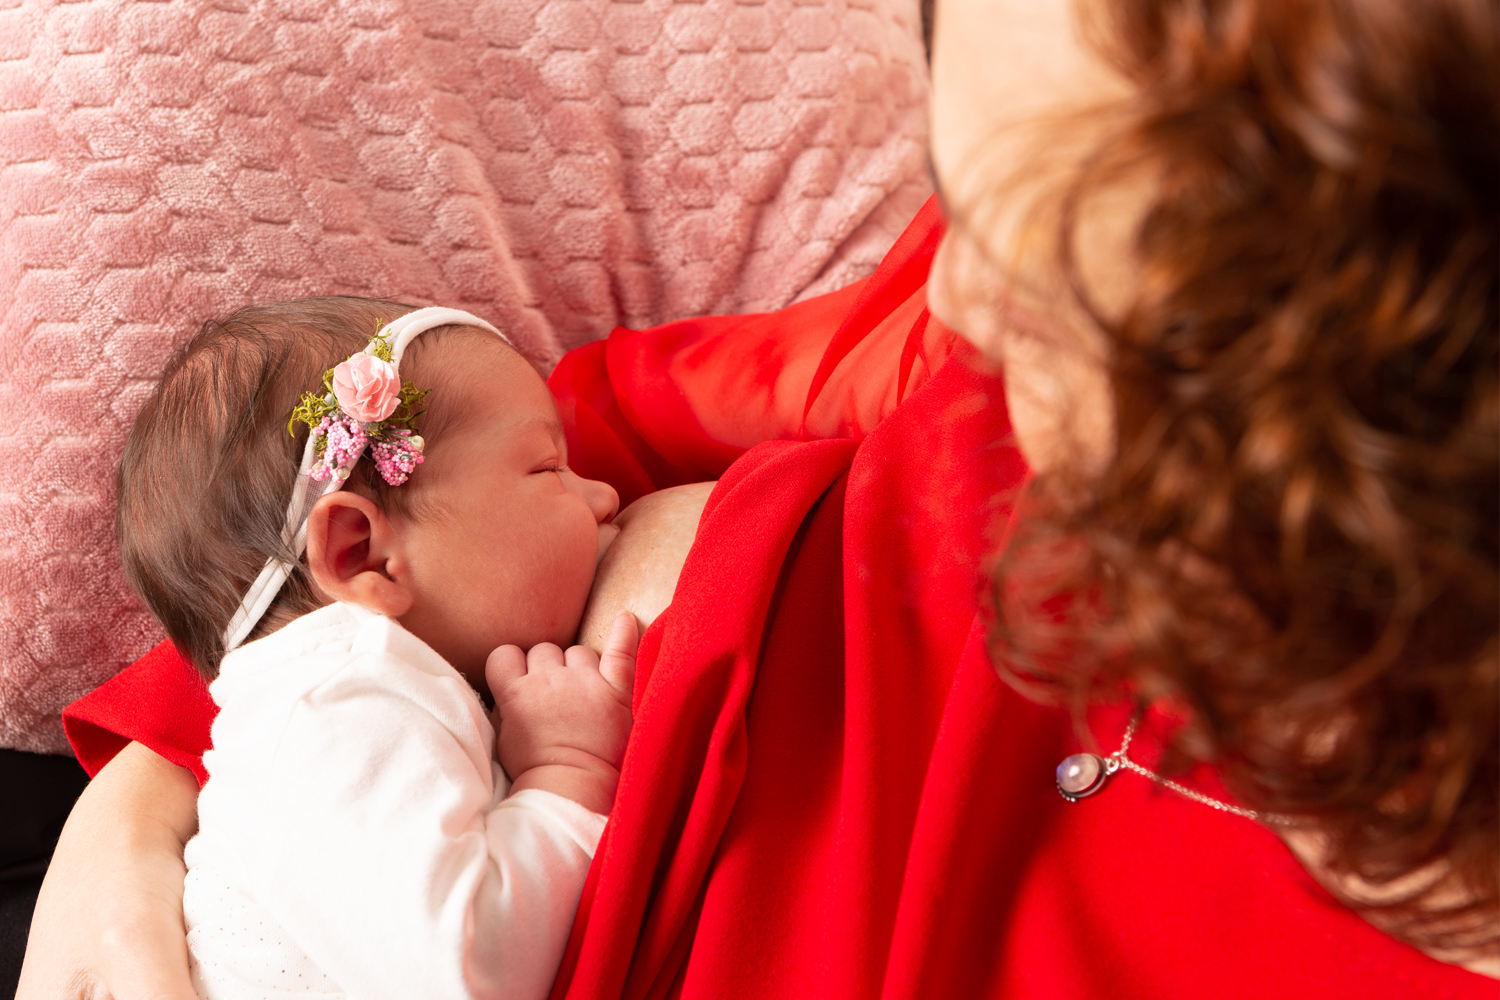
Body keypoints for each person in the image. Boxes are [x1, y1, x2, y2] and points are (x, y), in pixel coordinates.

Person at [19, 0, 1497, 996]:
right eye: (956, 208)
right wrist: (163, 772)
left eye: (1052, 295)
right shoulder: (961, 315)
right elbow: (524, 430)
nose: (955, 312)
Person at [113, 300, 642, 1000]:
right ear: (361, 551)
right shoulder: (335, 706)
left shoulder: (349, 698)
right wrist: (565, 767)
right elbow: (469, 970)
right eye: (548, 469)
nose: (604, 497)